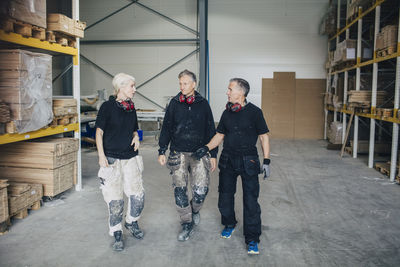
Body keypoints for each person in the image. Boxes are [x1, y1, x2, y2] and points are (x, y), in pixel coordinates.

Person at [192, 78, 271, 255]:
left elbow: (264, 137)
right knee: (224, 198)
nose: (227, 92)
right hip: (228, 158)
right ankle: (229, 223)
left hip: (249, 160)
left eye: (230, 89)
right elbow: (219, 135)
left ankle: (252, 239)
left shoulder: (255, 113)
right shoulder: (227, 113)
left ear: (241, 93)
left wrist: (266, 160)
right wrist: (206, 147)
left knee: (251, 201)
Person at [158, 69, 218, 241]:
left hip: (199, 153)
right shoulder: (174, 103)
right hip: (178, 151)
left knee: (201, 191)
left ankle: (195, 210)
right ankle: (186, 222)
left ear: (194, 84)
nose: (182, 86)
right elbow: (166, 128)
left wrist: (212, 154)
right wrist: (162, 150)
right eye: (180, 83)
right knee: (180, 190)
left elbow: (210, 130)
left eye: (185, 83)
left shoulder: (203, 104)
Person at [95, 73, 145, 251]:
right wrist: (101, 156)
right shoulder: (107, 107)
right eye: (132, 86)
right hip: (112, 159)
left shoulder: (131, 107)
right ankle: (116, 230)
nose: (134, 89)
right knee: (115, 200)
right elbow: (99, 133)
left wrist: (137, 138)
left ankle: (131, 222)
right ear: (121, 87)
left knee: (138, 196)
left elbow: (135, 130)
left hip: (131, 157)